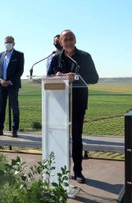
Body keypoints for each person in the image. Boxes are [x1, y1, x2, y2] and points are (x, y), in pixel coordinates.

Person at [47, 29, 99, 183]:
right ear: (60, 42)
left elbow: (94, 78)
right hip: (59, 103)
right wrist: (56, 77)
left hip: (78, 101)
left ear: (75, 41)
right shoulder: (56, 58)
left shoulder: (85, 56)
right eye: (65, 39)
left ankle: (78, 172)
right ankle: (59, 170)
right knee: (59, 137)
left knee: (76, 138)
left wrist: (75, 77)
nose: (68, 42)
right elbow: (48, 76)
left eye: (71, 39)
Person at [0, 36, 25, 137]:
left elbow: (20, 71)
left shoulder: (19, 55)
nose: (8, 44)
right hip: (1, 85)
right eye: (6, 42)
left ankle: (14, 129)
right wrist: (0, 80)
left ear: (14, 44)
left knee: (14, 107)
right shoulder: (1, 55)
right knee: (1, 107)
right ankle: (0, 129)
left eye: (10, 42)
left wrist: (10, 81)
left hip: (13, 85)